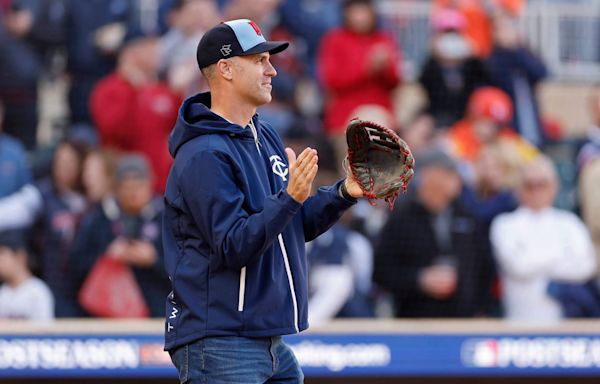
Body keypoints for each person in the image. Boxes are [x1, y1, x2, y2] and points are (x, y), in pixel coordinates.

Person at [163, 19, 363, 383]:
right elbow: (234, 245)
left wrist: (344, 192)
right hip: (220, 340)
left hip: (267, 341)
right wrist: (289, 198)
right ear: (225, 68)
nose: (271, 69)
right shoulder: (203, 153)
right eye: (258, 60)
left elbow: (291, 226)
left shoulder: (264, 134)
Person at [373, 147, 494, 318]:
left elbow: (485, 267)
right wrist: (419, 280)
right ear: (428, 176)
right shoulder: (401, 219)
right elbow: (381, 272)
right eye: (449, 173)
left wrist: (481, 309)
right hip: (415, 323)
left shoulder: (467, 216)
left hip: (464, 322)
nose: (457, 179)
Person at [490, 155, 597, 323]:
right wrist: (561, 256)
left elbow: (586, 266)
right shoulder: (504, 224)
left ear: (554, 187)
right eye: (529, 185)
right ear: (519, 189)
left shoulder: (569, 222)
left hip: (569, 325)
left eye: (542, 184)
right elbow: (518, 266)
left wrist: (534, 257)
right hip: (519, 324)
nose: (536, 190)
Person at [70, 154, 169, 317]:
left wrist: (155, 260)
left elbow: (187, 268)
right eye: (128, 188)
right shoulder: (99, 218)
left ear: (150, 184)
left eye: (138, 187)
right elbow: (75, 265)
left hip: (157, 315)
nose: (133, 194)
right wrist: (106, 256)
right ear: (117, 188)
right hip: (106, 317)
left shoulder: (166, 217)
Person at [317, 0, 402, 136]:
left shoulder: (383, 39)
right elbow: (331, 80)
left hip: (382, 111)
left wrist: (384, 67)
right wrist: (367, 69)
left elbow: (395, 81)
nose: (360, 17)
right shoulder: (335, 40)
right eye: (356, 12)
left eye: (364, 11)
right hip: (346, 114)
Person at [419, 8, 490, 129]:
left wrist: (474, 55)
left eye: (455, 33)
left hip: (466, 119)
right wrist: (435, 58)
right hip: (437, 118)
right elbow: (423, 83)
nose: (450, 39)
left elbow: (487, 77)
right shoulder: (432, 64)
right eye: (446, 33)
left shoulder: (470, 64)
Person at [0, 230, 54, 321]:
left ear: (20, 256)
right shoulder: (3, 292)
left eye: (1, 255)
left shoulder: (37, 291)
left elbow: (45, 331)